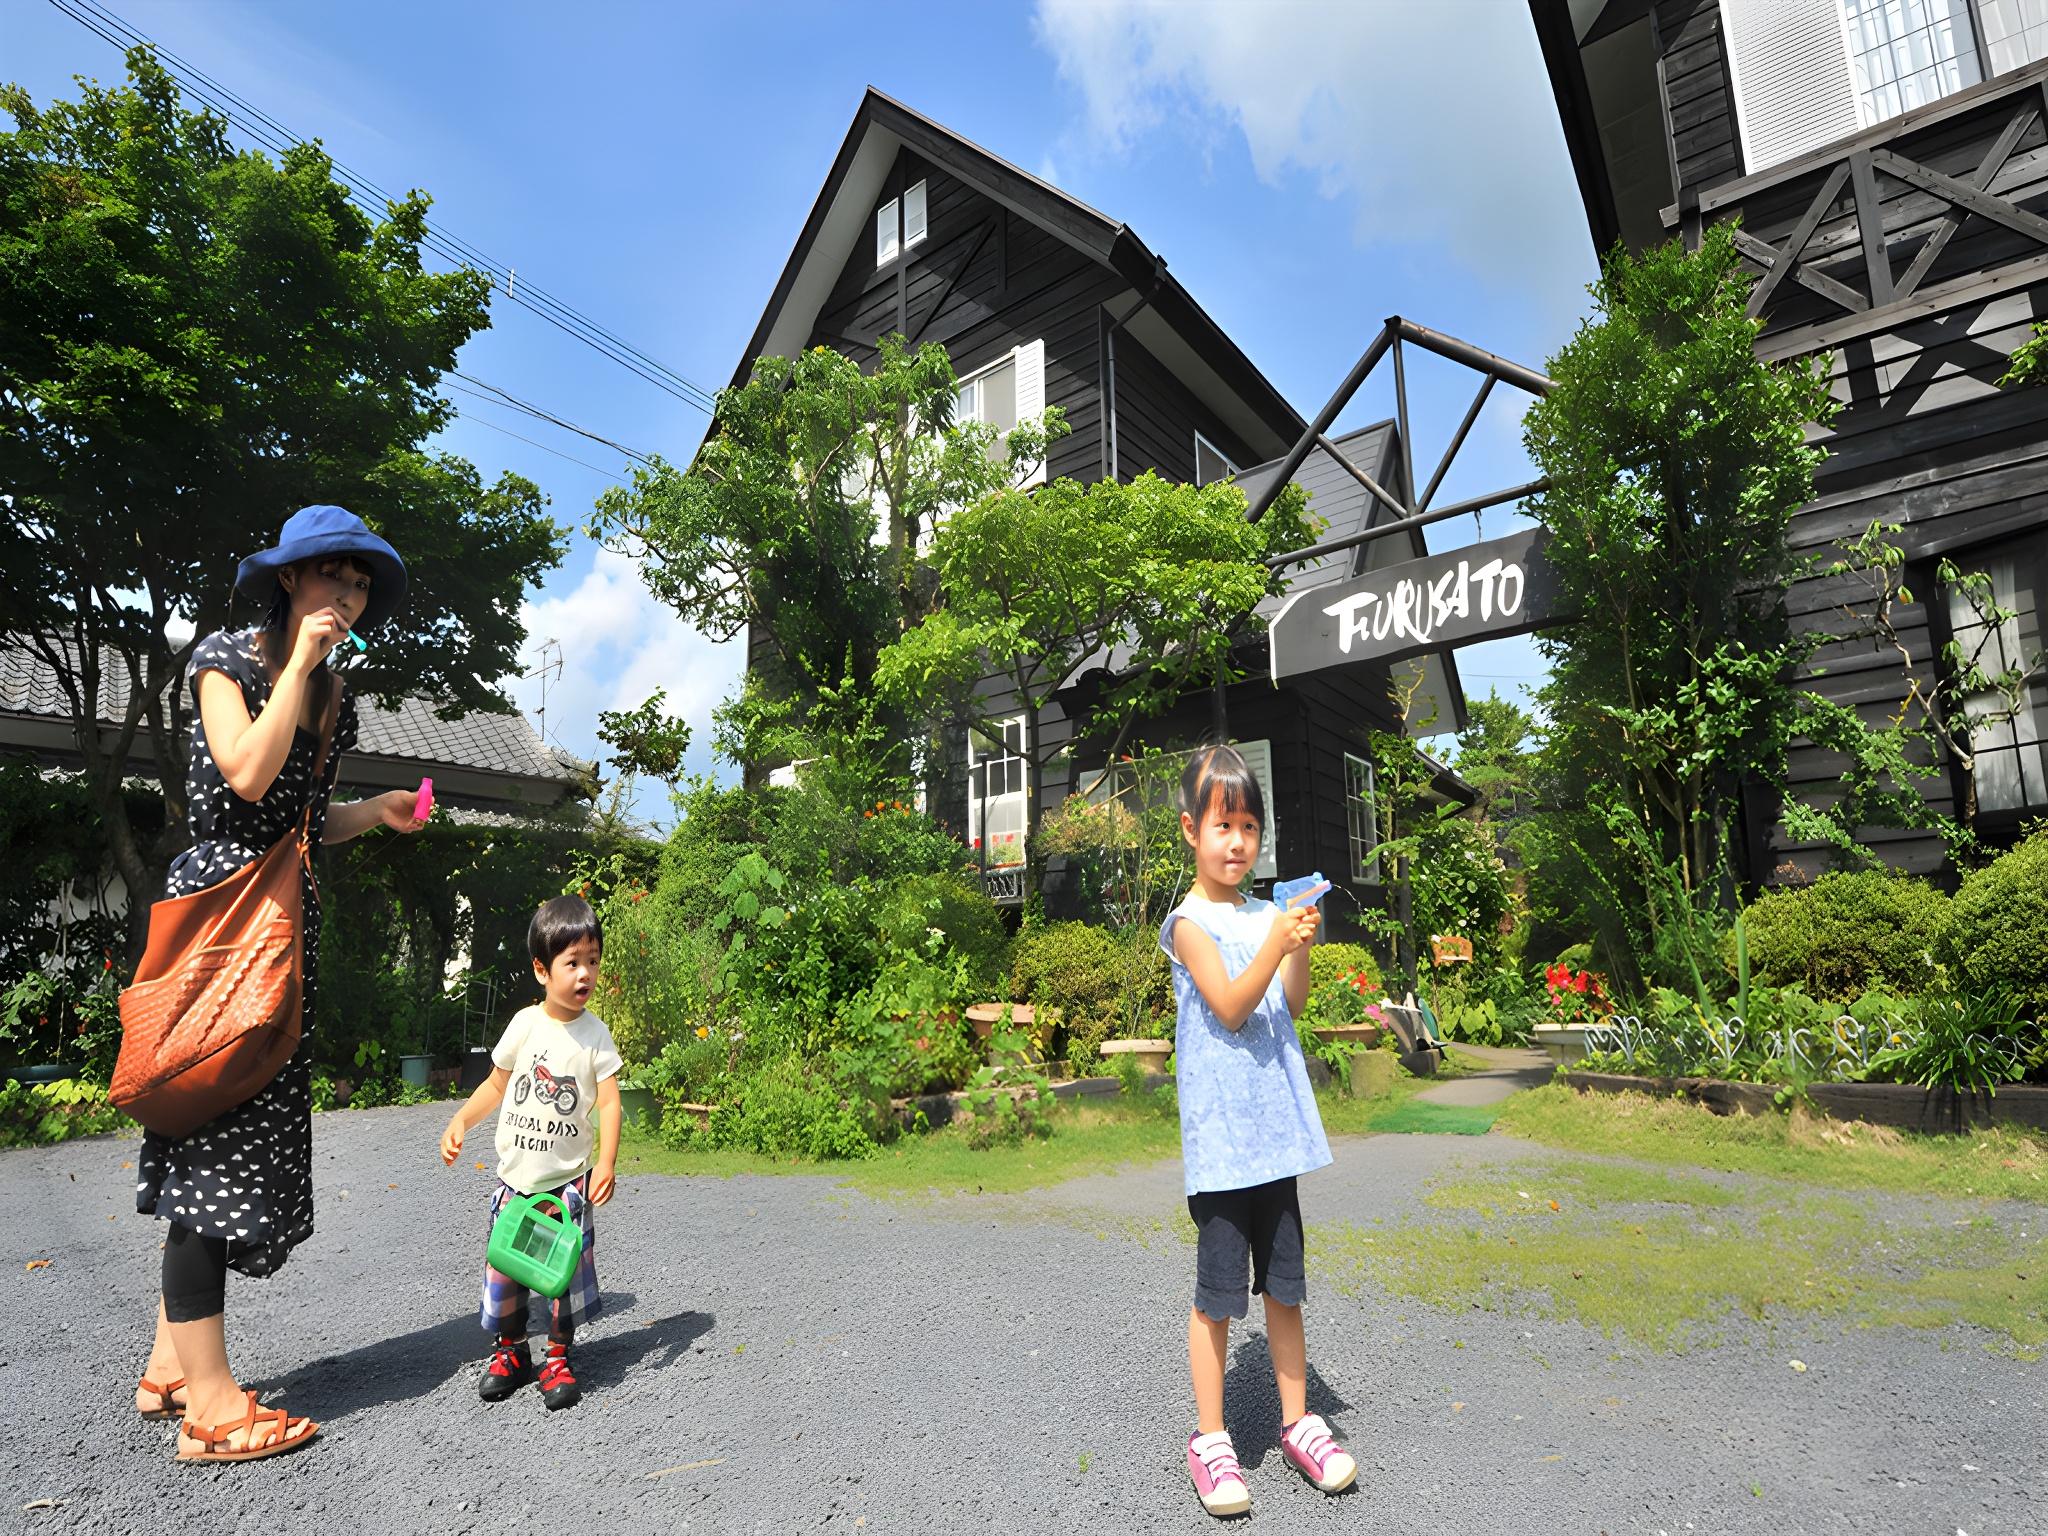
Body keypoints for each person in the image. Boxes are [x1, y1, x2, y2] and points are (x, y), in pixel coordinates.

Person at [133, 505, 429, 1463]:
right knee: (208, 1130)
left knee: (227, 1127)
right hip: (218, 920)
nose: (344, 594)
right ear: (287, 581)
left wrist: (374, 810)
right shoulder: (226, 659)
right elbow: (246, 777)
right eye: (329, 575)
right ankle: (213, 1411)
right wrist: (296, 667)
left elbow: (300, 818)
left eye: (357, 583)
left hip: (277, 924)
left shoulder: (335, 694)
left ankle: (172, 1362)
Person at [1160, 743, 1358, 1516]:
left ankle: (1297, 1422)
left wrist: (1297, 948)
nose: (1237, 841)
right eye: (1222, 824)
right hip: (1220, 1149)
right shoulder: (1187, 923)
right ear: (1191, 830)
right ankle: (1211, 1439)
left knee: (1284, 1288)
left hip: (1274, 1138)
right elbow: (1231, 1005)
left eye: (1249, 825)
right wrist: (1276, 943)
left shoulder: (1265, 914)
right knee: (1217, 1298)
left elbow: (1289, 1005)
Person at [440, 894, 622, 1411]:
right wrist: (461, 1119)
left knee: (560, 1277)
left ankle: (559, 1356)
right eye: (572, 963)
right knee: (507, 1273)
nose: (584, 974)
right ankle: (511, 1352)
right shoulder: (524, 1024)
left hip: (566, 1185)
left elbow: (610, 1105)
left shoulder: (595, 1036)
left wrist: (605, 1162)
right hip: (515, 1182)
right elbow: (495, 1085)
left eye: (592, 961)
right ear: (542, 969)